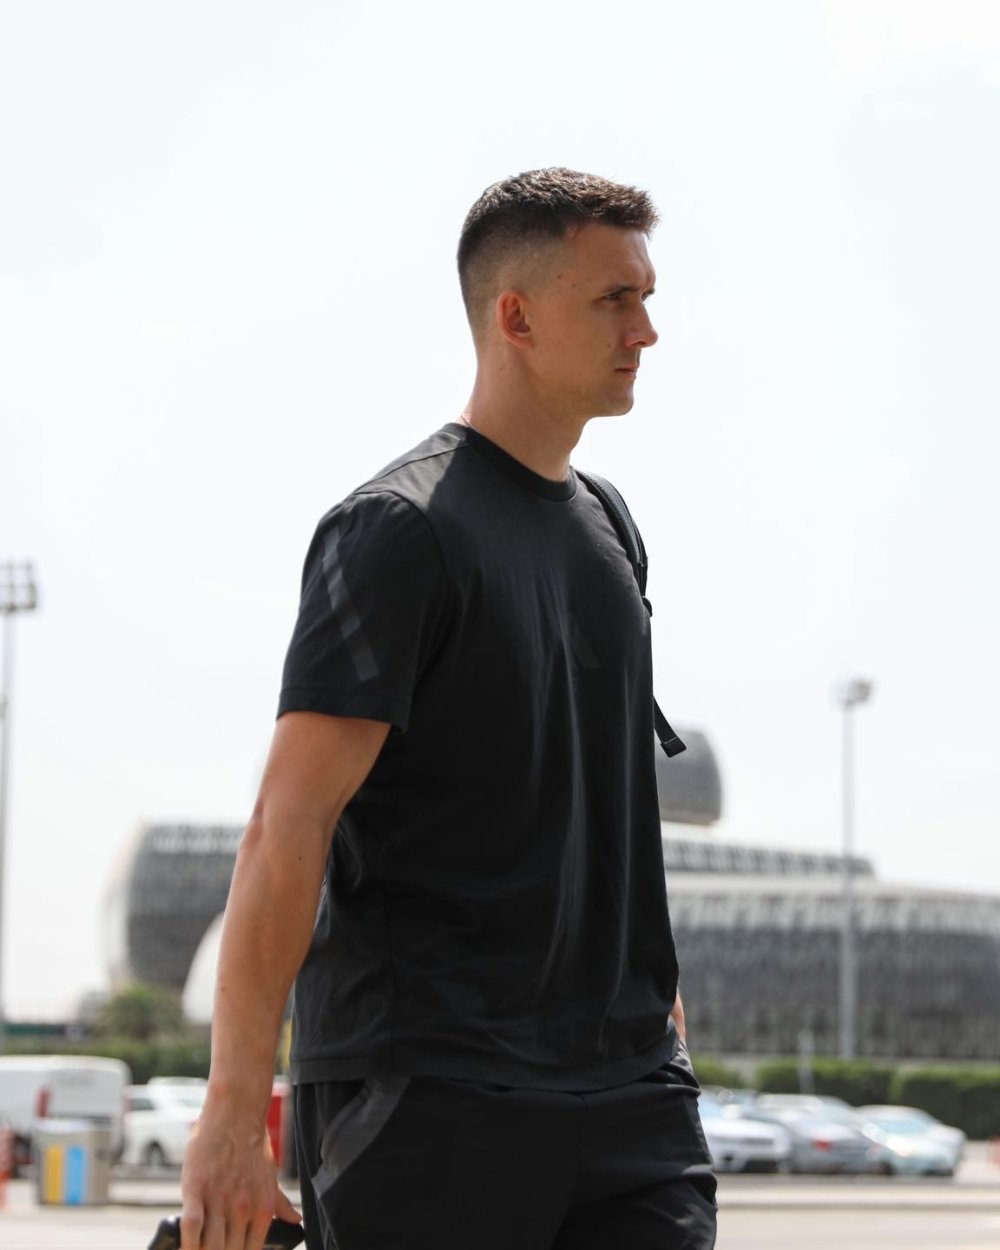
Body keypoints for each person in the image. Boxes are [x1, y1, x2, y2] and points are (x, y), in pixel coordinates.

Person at [180, 167, 717, 1250]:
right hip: (431, 1090)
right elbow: (288, 824)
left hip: (629, 1097)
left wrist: (660, 1024)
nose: (646, 330)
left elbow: (600, 800)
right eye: (614, 299)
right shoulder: (396, 530)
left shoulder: (610, 526)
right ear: (515, 316)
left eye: (647, 297)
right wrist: (233, 1113)